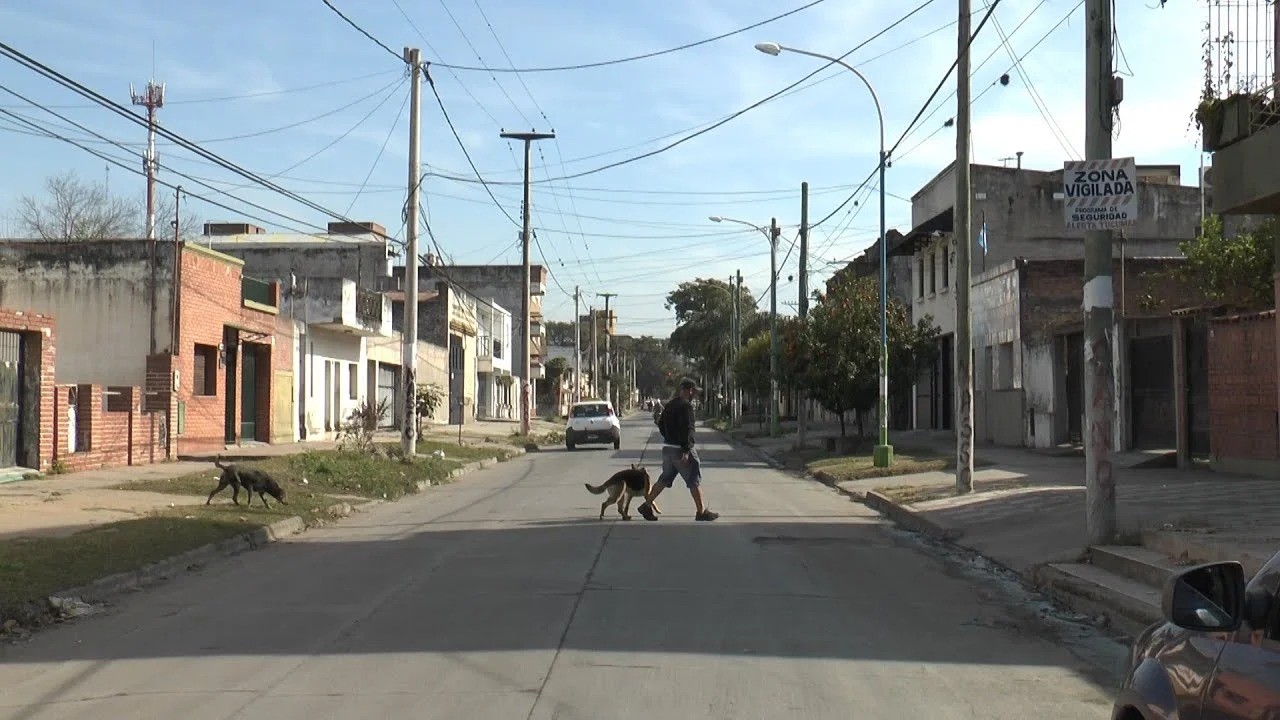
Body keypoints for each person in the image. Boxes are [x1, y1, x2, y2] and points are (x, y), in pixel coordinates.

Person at [638, 377, 719, 522]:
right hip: (680, 450)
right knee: (694, 478)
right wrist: (686, 450)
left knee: (665, 478)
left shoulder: (671, 404)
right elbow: (689, 429)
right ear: (689, 391)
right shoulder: (686, 406)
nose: (694, 394)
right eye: (694, 391)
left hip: (668, 448)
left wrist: (669, 437)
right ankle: (701, 512)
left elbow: (661, 423)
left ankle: (646, 504)